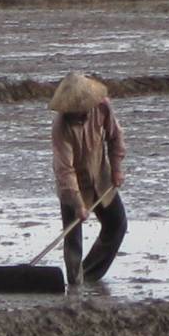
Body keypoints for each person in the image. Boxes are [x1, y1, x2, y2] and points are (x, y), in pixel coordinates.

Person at [49, 72, 127, 287]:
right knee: (73, 240)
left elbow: (115, 137)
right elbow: (65, 170)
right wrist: (77, 204)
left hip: (100, 177)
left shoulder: (102, 108)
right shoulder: (61, 127)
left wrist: (116, 169)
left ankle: (90, 274)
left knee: (117, 224)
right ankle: (74, 283)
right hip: (73, 185)